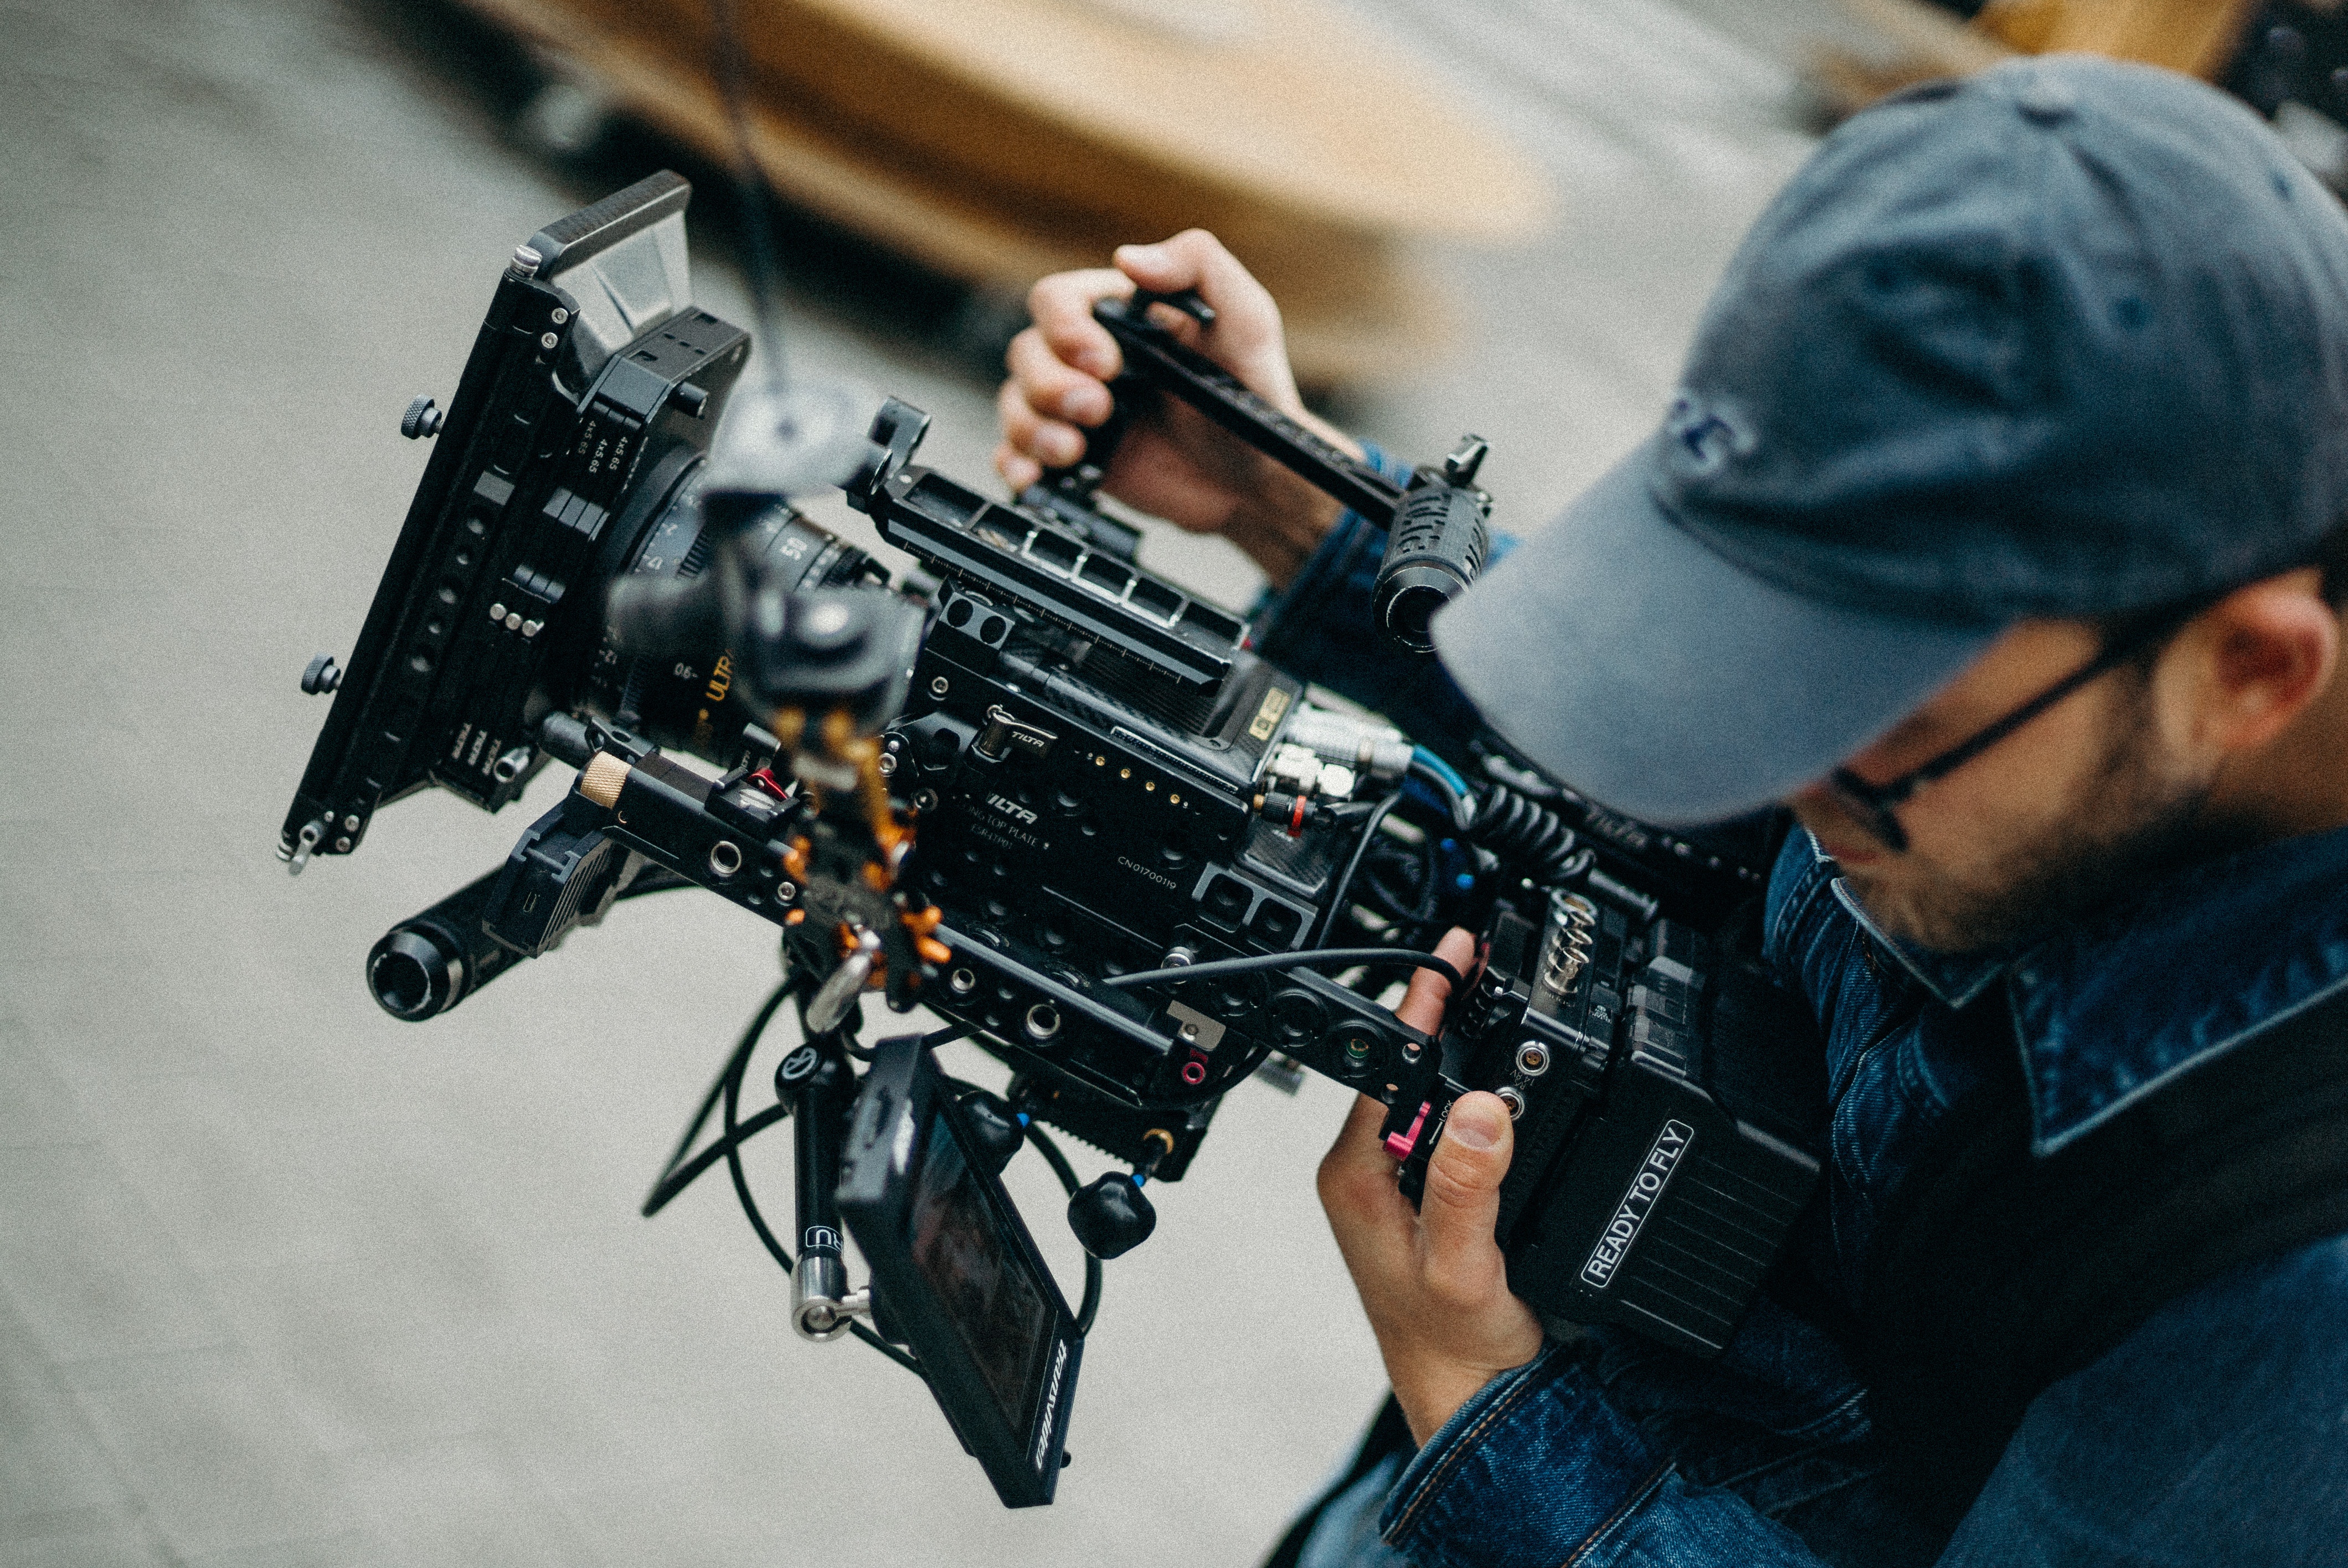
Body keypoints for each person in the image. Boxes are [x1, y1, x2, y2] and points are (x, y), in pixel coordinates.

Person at [996, 55, 2348, 1567]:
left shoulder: (2306, 1285)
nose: (1762, 770)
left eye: (1856, 722)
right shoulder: (2036, 730)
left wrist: (1490, 1410)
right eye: (1749, 677)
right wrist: (1289, 504)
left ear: (2248, 670)